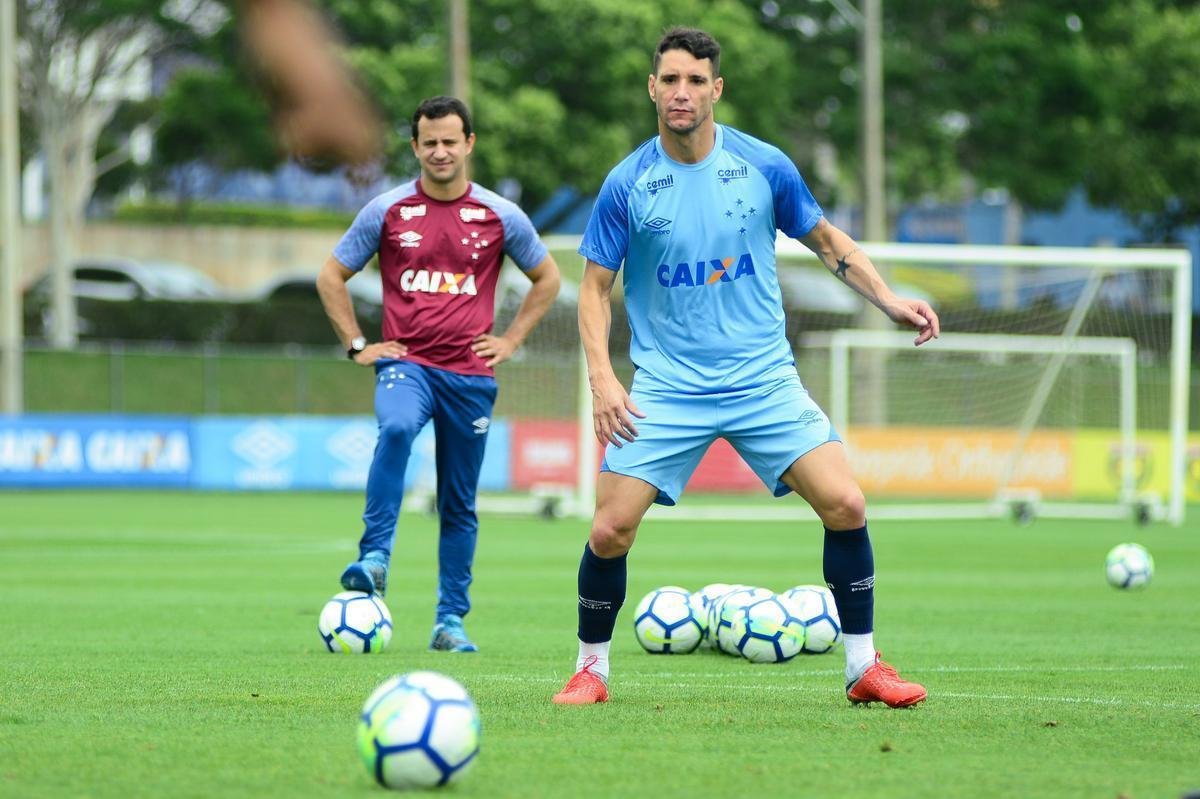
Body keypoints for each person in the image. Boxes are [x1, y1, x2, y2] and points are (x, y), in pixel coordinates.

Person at [552, 28, 939, 706]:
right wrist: (602, 378)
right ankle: (591, 669)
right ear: (652, 87)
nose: (682, 92)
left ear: (716, 89)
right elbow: (592, 289)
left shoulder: (764, 166)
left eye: (695, 81)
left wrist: (887, 299)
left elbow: (825, 240)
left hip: (763, 379)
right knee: (609, 529)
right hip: (668, 386)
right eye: (670, 80)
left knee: (846, 503)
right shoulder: (628, 183)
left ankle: (863, 668)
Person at [317, 96, 561, 652]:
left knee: (459, 502)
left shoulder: (500, 215)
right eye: (430, 142)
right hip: (406, 365)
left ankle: (449, 621)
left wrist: (512, 339)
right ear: (415, 147)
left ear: (469, 143)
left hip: (471, 376)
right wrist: (358, 345)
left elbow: (546, 278)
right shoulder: (386, 211)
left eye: (451, 141)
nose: (440, 151)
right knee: (397, 429)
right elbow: (331, 276)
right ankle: (374, 557)